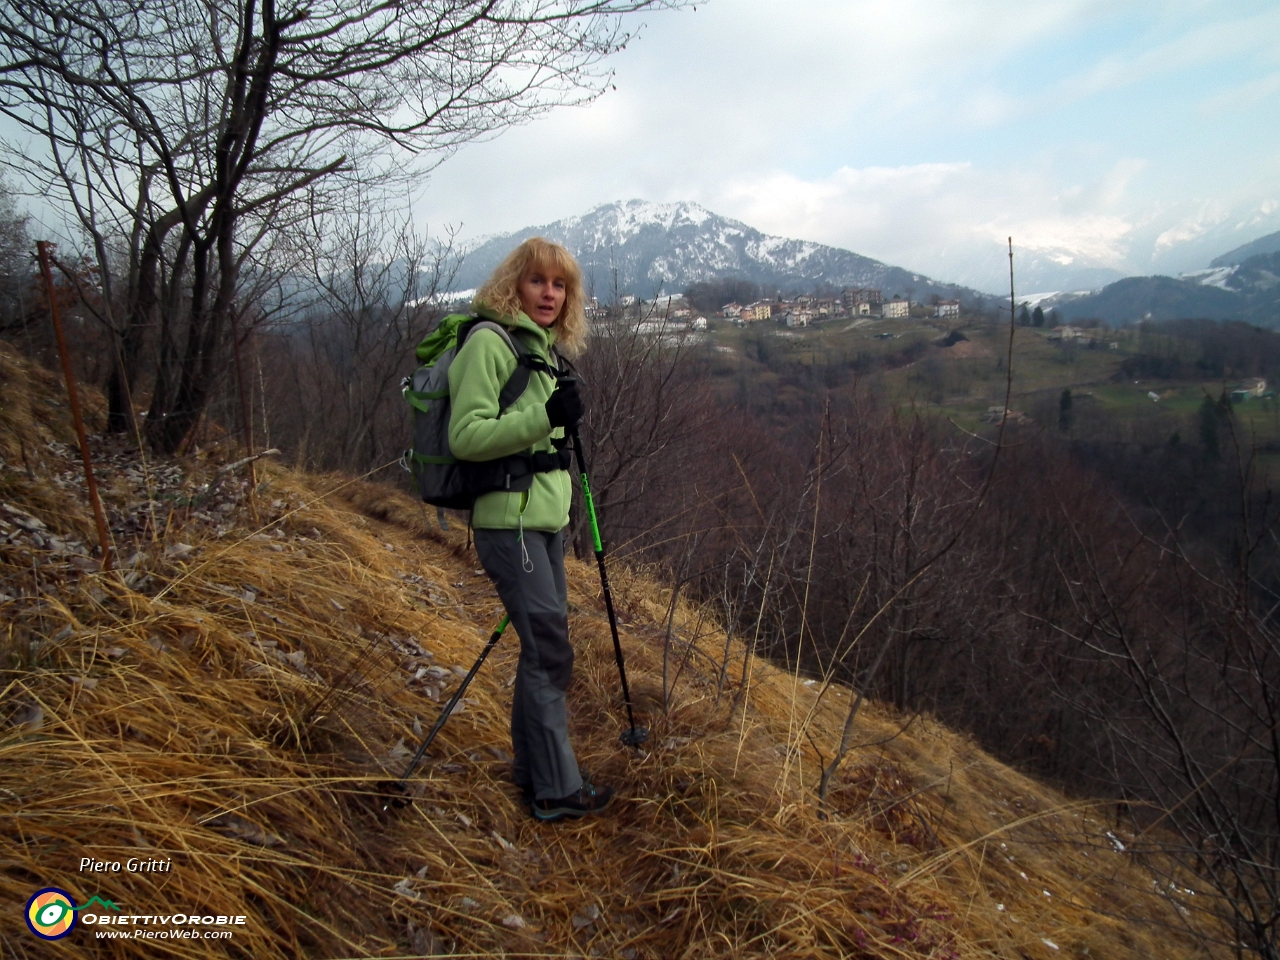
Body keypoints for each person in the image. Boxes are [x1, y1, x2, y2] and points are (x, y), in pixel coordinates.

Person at [447, 237, 614, 822]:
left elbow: (539, 443)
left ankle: (534, 772)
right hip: (509, 526)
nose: (549, 293)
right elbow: (465, 437)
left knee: (541, 651)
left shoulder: (538, 352)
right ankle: (558, 790)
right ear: (514, 284)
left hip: (539, 526)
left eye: (560, 284)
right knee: (550, 653)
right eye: (538, 281)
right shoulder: (488, 344)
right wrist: (545, 416)